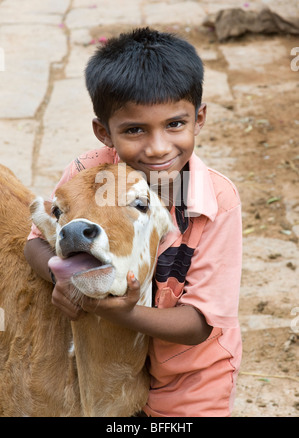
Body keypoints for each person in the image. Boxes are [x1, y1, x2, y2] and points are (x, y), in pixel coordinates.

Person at [24, 27, 242, 417]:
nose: (158, 148)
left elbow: (199, 325)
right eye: (135, 130)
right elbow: (35, 242)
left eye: (175, 124)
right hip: (112, 360)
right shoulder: (86, 174)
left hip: (188, 376)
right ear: (104, 132)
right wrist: (59, 276)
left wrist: (119, 312)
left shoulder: (217, 202)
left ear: (199, 118)